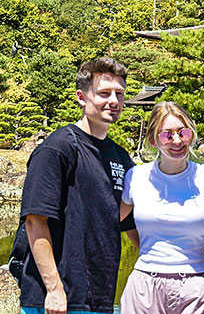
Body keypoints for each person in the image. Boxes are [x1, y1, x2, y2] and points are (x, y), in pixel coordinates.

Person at [19, 57, 135, 314]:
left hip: (99, 295)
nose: (114, 101)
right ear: (82, 97)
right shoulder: (59, 147)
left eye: (119, 93)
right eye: (104, 93)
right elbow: (35, 221)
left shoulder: (120, 156)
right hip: (55, 299)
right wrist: (54, 290)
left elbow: (124, 221)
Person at [119, 101, 204, 314]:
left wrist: (187, 237)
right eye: (167, 135)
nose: (177, 141)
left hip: (194, 286)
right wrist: (151, 244)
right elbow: (122, 222)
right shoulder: (136, 177)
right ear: (154, 140)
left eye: (183, 133)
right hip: (144, 285)